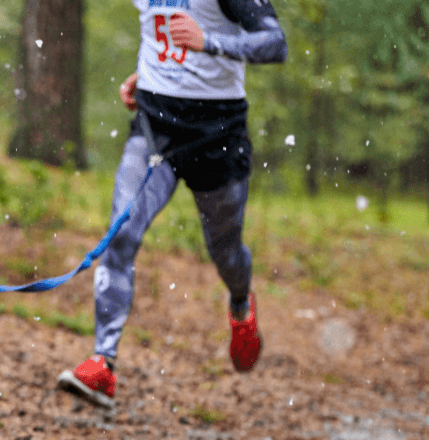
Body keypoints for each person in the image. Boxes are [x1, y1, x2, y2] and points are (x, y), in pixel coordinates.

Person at [56, 0, 288, 409]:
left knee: (225, 250)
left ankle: (240, 303)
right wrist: (146, 75)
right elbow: (159, 35)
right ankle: (102, 362)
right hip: (155, 124)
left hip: (219, 134)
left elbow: (275, 43)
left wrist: (208, 42)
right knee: (121, 232)